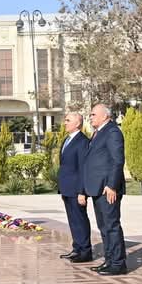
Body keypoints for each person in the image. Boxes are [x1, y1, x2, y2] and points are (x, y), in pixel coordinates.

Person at [82, 104, 127, 275]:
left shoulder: (112, 132)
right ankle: (109, 260)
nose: (90, 117)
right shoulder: (98, 133)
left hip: (108, 189)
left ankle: (118, 263)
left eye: (93, 114)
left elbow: (117, 161)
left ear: (104, 116)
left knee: (111, 225)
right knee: (103, 226)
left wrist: (112, 185)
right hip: (98, 188)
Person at [57, 111, 93, 263]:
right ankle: (77, 248)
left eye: (68, 120)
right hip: (67, 188)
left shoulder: (82, 141)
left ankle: (85, 251)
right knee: (73, 220)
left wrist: (82, 191)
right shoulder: (68, 139)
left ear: (77, 123)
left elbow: (84, 168)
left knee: (80, 219)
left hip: (76, 189)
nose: (64, 122)